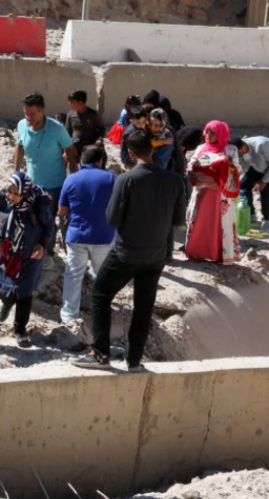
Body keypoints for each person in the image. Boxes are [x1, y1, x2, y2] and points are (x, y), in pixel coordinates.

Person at [73, 131, 187, 372]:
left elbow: (112, 219)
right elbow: (178, 220)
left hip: (127, 253)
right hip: (157, 255)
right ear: (153, 149)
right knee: (143, 308)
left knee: (100, 296)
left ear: (132, 153)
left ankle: (100, 353)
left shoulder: (125, 180)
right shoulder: (175, 180)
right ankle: (133, 360)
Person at [0, 172, 54, 348]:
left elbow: (49, 226)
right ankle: (7, 303)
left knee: (24, 293)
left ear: (25, 192)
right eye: (10, 191)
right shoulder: (2, 198)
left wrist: (42, 244)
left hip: (30, 254)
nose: (11, 196)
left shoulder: (38, 202)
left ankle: (20, 330)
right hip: (4, 252)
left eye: (16, 193)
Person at [57, 146, 116, 324]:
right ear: (100, 161)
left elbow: (62, 210)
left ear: (82, 160)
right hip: (103, 235)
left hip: (76, 235)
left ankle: (69, 316)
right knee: (102, 275)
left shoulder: (71, 179)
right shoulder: (112, 178)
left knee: (73, 275)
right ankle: (101, 311)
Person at [13, 92, 76, 253]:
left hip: (54, 184)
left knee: (47, 218)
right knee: (34, 218)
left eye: (32, 114)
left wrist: (74, 179)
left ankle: (47, 251)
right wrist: (16, 174)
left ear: (43, 110)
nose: (28, 118)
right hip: (31, 184)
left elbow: (70, 150)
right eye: (26, 113)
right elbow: (19, 148)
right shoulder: (21, 125)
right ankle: (43, 249)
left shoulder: (57, 128)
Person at [184, 121, 241, 264]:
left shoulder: (231, 150)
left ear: (221, 134)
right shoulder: (201, 148)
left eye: (213, 132)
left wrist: (224, 166)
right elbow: (191, 164)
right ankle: (197, 253)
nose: (208, 135)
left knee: (220, 224)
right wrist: (196, 176)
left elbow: (238, 169)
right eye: (207, 132)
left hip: (221, 194)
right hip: (202, 191)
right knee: (200, 221)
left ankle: (219, 255)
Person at [234, 136, 269, 234]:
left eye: (236, 153)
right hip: (258, 166)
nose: (234, 155)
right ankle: (251, 213)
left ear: (242, 148)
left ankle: (267, 220)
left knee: (265, 190)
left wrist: (263, 181)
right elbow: (245, 169)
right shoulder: (239, 152)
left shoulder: (262, 145)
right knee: (243, 186)